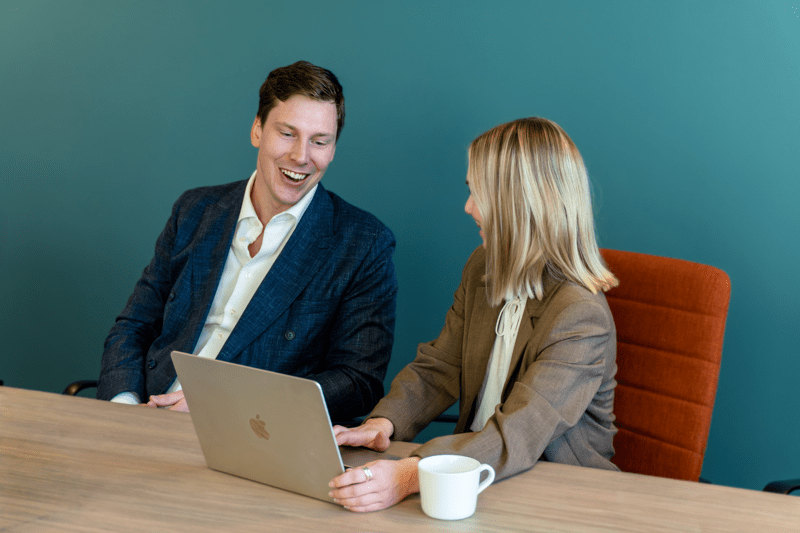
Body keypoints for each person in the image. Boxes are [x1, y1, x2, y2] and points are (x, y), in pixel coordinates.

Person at [329, 117, 619, 512]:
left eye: (479, 194)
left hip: (555, 492)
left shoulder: (580, 316)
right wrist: (384, 424)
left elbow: (517, 435)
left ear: (522, 204)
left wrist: (411, 474)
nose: (468, 207)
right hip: (476, 476)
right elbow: (440, 367)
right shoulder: (485, 266)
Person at [96, 61, 397, 424]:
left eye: (319, 141)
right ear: (257, 130)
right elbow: (133, 325)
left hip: (254, 434)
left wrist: (225, 402)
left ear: (332, 149)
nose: (301, 156)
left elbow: (357, 381)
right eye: (287, 133)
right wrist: (125, 409)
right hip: (147, 415)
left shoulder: (363, 243)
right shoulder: (194, 210)